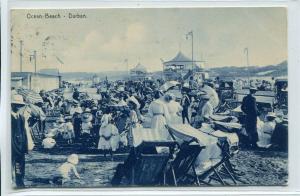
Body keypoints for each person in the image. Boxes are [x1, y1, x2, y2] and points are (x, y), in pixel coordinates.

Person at [11, 94, 34, 187]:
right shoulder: (6, 117)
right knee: (9, 163)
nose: (18, 107)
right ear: (11, 105)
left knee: (19, 164)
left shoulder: (22, 117)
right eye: (16, 105)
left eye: (20, 105)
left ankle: (19, 181)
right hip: (11, 144)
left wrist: (28, 144)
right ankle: (10, 183)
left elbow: (26, 131)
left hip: (20, 144)